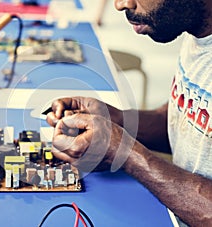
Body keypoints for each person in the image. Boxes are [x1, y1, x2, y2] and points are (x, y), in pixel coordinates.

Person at [46, 0, 212, 226]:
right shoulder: (198, 34)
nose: (121, 4)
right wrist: (114, 119)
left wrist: (124, 153)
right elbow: (184, 123)